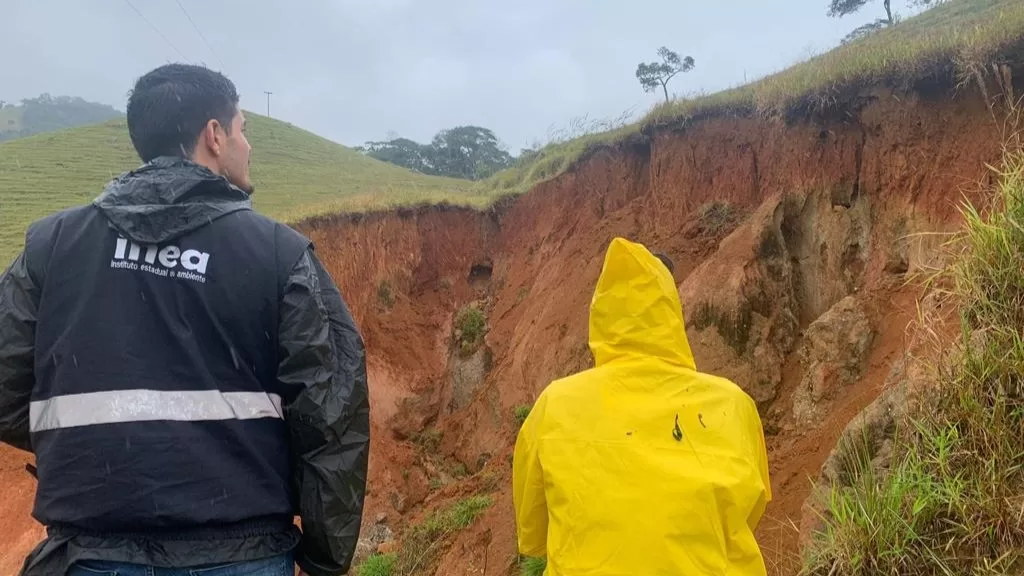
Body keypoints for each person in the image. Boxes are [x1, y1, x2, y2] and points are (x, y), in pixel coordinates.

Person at [0, 63, 370, 576]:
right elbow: (331, 414)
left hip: (89, 554)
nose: (248, 144)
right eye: (243, 129)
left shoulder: (51, 247)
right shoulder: (279, 255)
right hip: (243, 554)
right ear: (214, 135)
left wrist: (95, 445)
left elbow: (5, 388)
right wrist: (325, 558)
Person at [512, 237, 772, 575]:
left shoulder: (553, 407)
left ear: (601, 315)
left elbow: (532, 537)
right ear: (671, 313)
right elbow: (748, 513)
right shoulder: (735, 405)